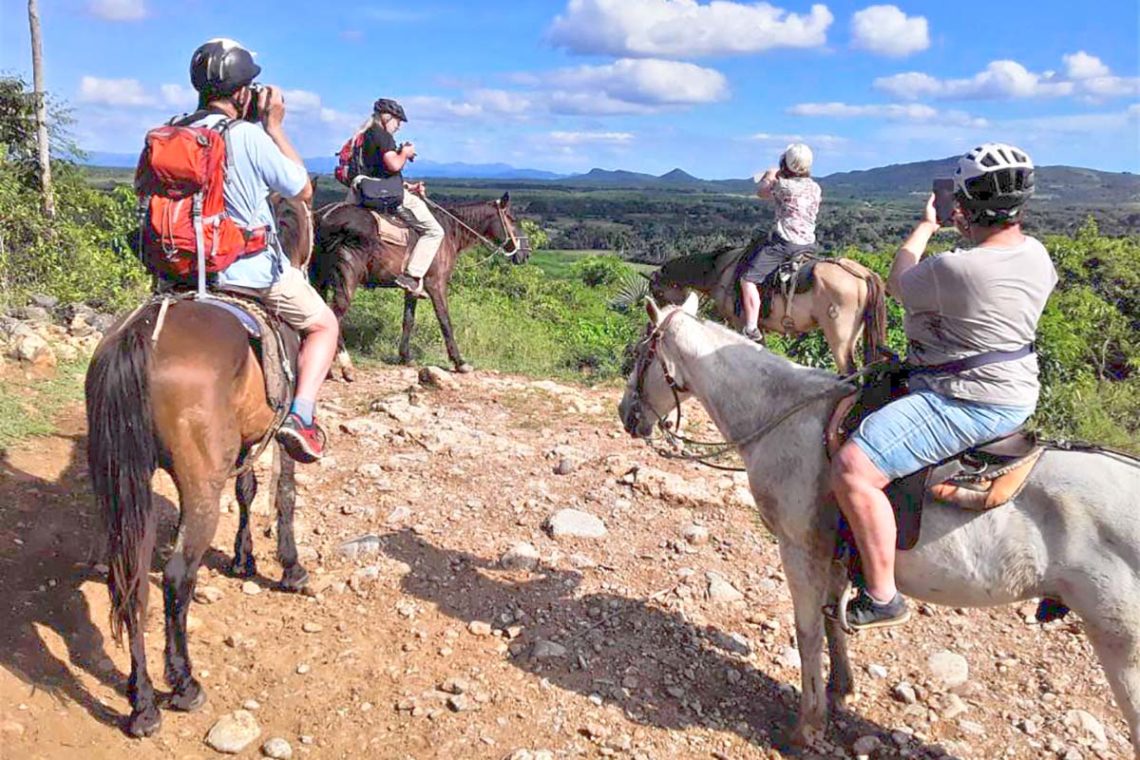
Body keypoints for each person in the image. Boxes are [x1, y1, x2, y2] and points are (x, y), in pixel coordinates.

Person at [830, 143, 1058, 630]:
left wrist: (928, 225)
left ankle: (883, 593)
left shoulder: (955, 267)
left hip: (969, 398)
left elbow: (898, 279)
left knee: (852, 467)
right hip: (1017, 386)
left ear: (967, 205)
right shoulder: (1037, 255)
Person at [185, 38, 338, 463]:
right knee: (325, 325)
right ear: (241, 92)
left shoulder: (173, 131)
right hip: (246, 273)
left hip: (181, 271)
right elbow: (302, 190)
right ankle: (301, 416)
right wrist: (275, 126)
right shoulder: (249, 136)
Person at [356, 98, 445, 298]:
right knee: (434, 231)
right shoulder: (383, 135)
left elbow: (378, 172)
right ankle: (412, 276)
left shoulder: (365, 136)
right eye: (398, 121)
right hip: (387, 195)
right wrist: (404, 153)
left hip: (366, 188)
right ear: (386, 117)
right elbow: (394, 165)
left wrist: (408, 186)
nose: (399, 126)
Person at [739, 143, 822, 340]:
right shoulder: (815, 187)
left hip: (785, 243)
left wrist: (770, 175)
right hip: (808, 243)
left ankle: (751, 328)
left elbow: (761, 193)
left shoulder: (783, 186)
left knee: (748, 280)